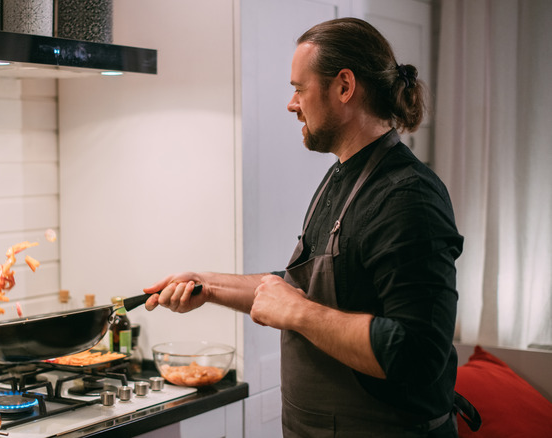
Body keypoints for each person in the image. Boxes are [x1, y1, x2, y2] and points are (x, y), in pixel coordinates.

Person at [143, 18, 475, 437]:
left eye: (299, 88)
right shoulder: (342, 176)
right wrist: (208, 286)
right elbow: (301, 287)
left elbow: (418, 354)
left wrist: (299, 313)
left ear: (344, 86)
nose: (291, 103)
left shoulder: (408, 196)